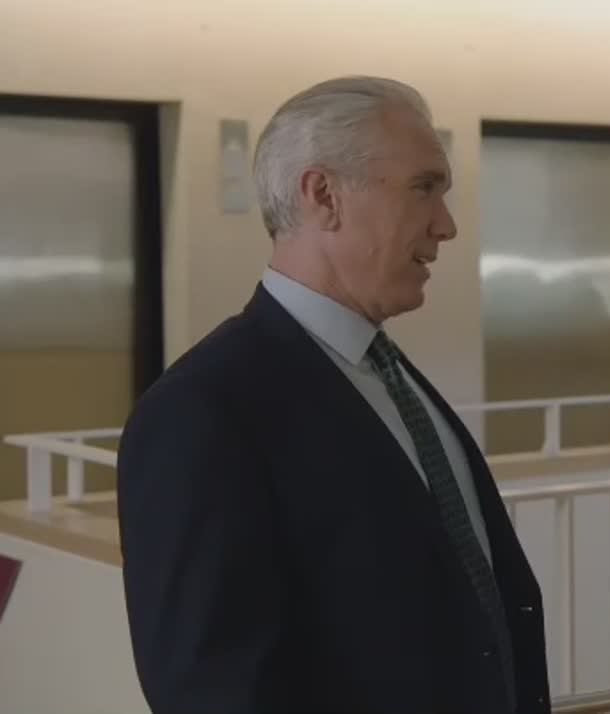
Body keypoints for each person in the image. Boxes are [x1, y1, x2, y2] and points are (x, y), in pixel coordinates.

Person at [116, 77, 550, 714]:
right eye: (423, 188)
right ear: (324, 195)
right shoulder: (202, 412)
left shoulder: (392, 378)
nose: (447, 225)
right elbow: (212, 690)